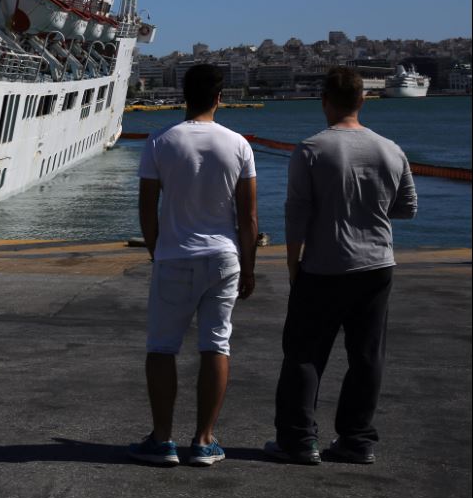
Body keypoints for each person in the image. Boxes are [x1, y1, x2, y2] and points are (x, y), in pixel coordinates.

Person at [265, 66, 417, 466]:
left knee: (304, 354)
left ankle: (299, 440)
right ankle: (357, 439)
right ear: (363, 100)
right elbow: (407, 208)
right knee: (366, 356)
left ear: (324, 102)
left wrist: (293, 265)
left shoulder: (312, 149)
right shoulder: (390, 149)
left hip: (323, 265)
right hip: (377, 265)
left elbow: (296, 214)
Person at [129, 64, 258, 467]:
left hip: (174, 256)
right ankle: (203, 441)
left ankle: (163, 440)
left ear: (184, 95)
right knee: (216, 345)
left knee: (162, 348)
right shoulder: (238, 144)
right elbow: (249, 216)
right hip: (223, 257)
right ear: (221, 97)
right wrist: (249, 265)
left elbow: (147, 209)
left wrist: (156, 249)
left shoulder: (159, 141)